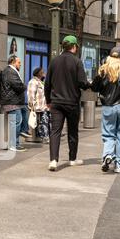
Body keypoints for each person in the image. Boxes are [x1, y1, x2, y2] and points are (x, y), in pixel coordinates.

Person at [44, 35, 90, 171]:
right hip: (72, 102)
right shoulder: (77, 62)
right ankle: (72, 159)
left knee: (55, 131)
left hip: (56, 102)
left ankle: (53, 160)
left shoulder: (54, 61)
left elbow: (47, 83)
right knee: (72, 131)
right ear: (74, 47)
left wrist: (48, 101)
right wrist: (89, 84)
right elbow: (82, 82)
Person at [0, 55, 27, 152]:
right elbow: (18, 85)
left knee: (18, 120)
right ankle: (14, 144)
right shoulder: (10, 71)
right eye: (19, 63)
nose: (20, 65)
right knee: (15, 122)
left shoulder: (9, 71)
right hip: (12, 101)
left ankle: (20, 135)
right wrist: (24, 86)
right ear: (13, 62)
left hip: (13, 101)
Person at [27, 67, 50, 143]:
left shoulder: (41, 82)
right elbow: (31, 95)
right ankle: (42, 137)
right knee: (40, 123)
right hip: (38, 107)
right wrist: (32, 106)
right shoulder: (33, 82)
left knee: (44, 122)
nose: (44, 72)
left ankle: (44, 137)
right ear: (37, 73)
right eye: (42, 71)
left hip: (44, 106)